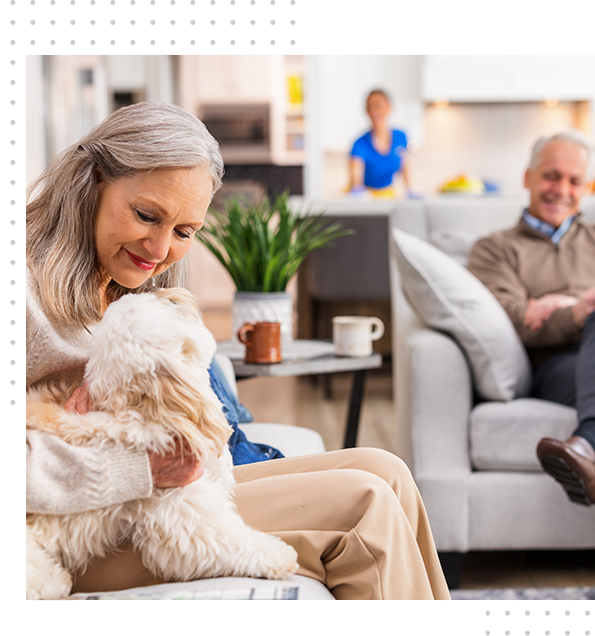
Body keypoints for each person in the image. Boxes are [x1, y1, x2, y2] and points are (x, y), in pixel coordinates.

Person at [25, 101, 451, 600]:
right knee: (367, 502)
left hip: (156, 502)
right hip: (72, 535)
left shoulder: (126, 282)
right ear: (94, 179)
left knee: (386, 470)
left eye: (184, 232)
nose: (160, 251)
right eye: (147, 215)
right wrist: (139, 467)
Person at [466, 131, 595, 507]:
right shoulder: (495, 249)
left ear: (587, 187)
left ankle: (588, 445)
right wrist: (583, 310)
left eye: (574, 180)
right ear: (527, 177)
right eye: (551, 175)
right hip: (558, 365)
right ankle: (593, 437)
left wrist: (560, 303)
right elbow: (517, 320)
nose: (561, 189)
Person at [349, 90, 416, 199]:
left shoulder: (401, 137)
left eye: (378, 106)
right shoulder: (359, 144)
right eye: (370, 107)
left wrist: (409, 191)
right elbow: (356, 181)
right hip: (367, 198)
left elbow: (405, 167)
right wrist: (357, 192)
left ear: (388, 107)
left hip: (390, 195)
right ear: (366, 111)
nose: (374, 111)